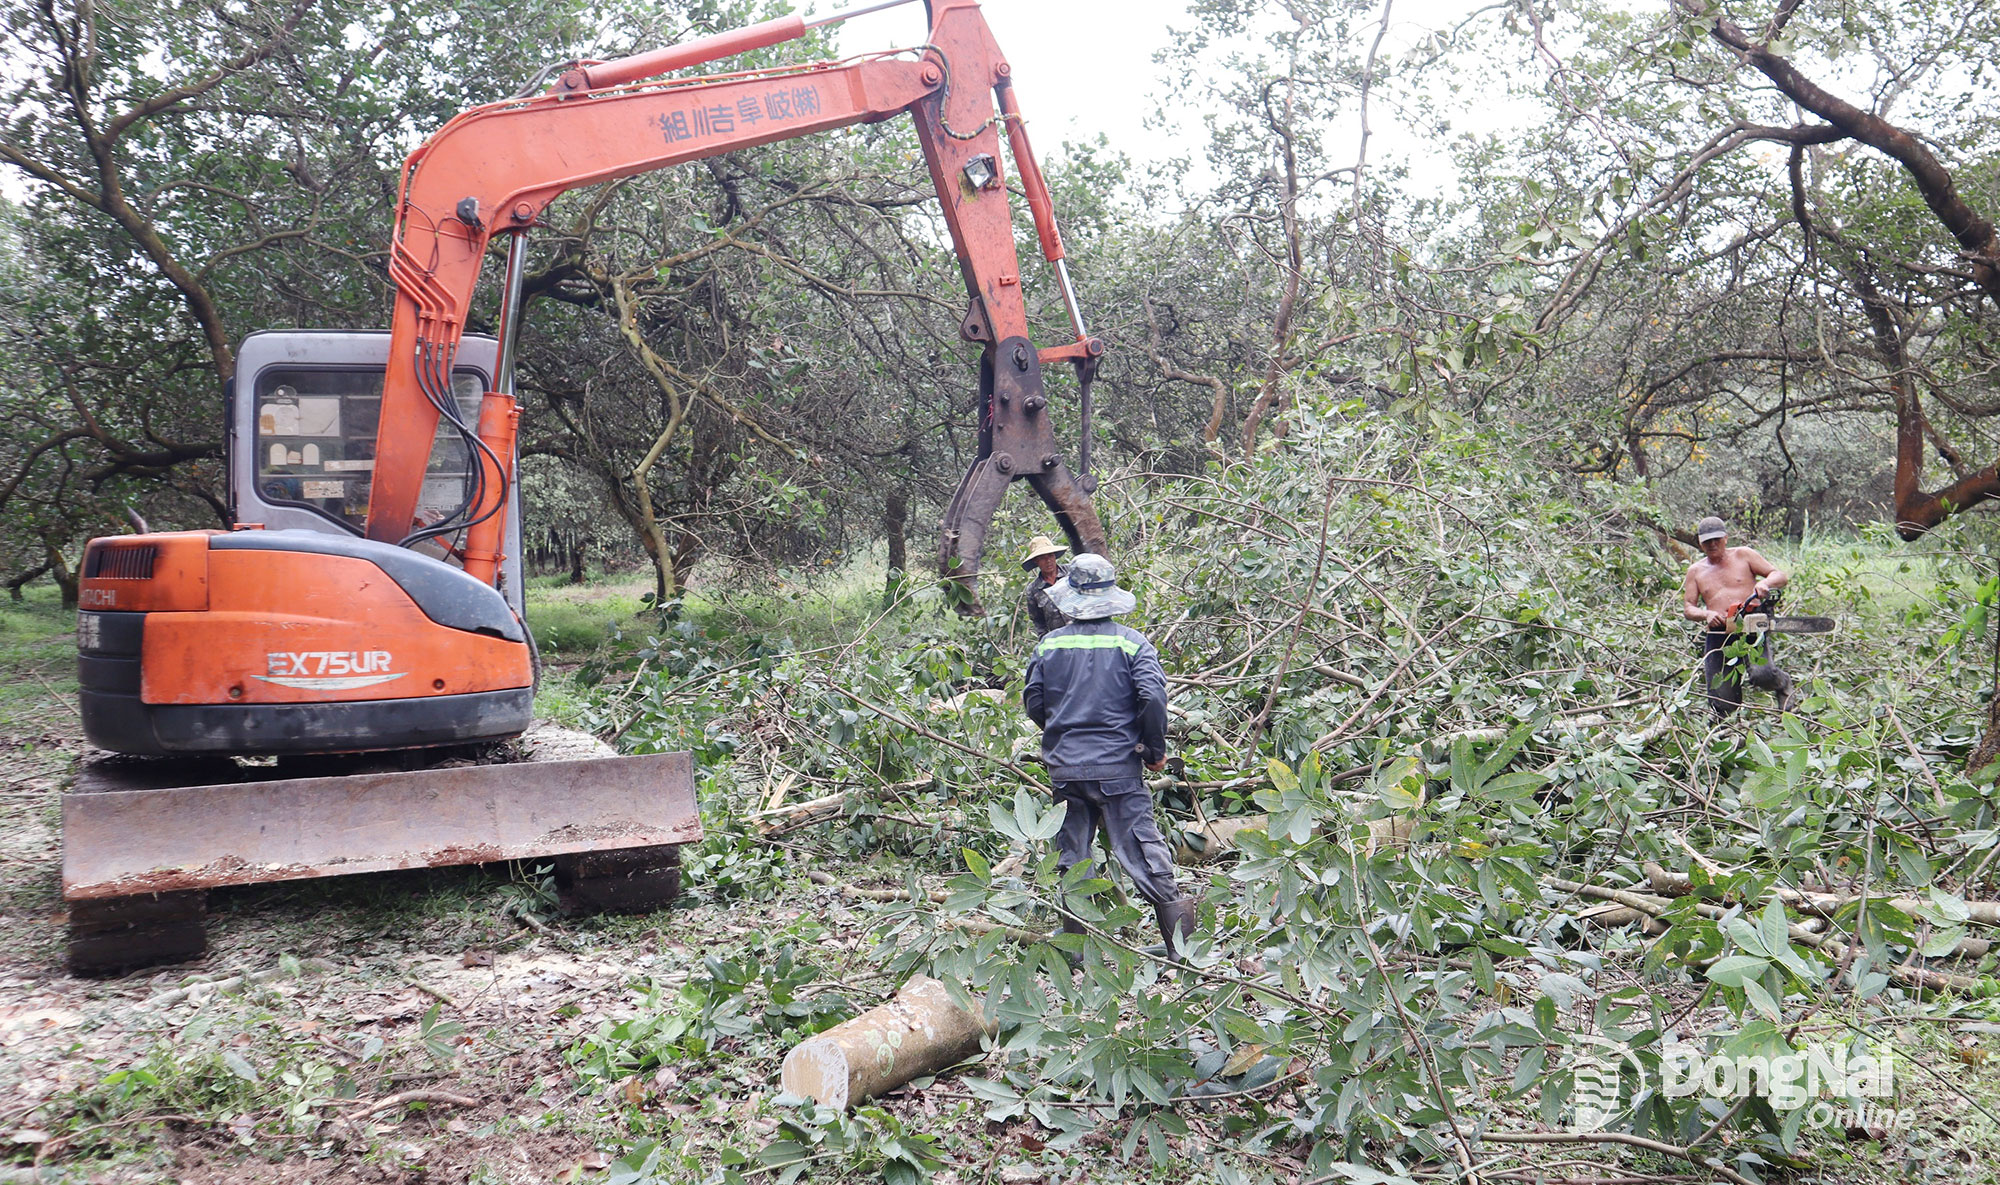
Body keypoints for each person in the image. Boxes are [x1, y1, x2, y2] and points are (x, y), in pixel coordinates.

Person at [1022, 553, 1198, 961]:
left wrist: (1061, 733)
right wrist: (1154, 750)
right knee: (1142, 847)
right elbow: (1153, 698)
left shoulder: (1050, 644)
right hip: (1118, 767)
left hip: (1066, 768)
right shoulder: (1131, 642)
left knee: (1072, 856)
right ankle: (1182, 951)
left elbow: (1033, 702)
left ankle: (1078, 956)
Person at [1681, 516, 1796, 715]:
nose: (1713, 544)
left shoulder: (1744, 555)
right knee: (1721, 698)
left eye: (1717, 539)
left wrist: (1764, 583)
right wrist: (1706, 614)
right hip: (1718, 633)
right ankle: (1729, 732)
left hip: (1751, 625)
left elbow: (1780, 575)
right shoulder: (1695, 571)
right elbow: (1689, 608)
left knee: (1763, 674)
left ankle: (1783, 684)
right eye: (1707, 541)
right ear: (1700, 542)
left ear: (1726, 538)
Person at [1020, 535, 1070, 638]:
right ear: (1036, 561)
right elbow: (1039, 623)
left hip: (1083, 636)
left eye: (1050, 555)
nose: (1048, 561)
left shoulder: (1071, 573)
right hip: (1059, 643)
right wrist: (1046, 644)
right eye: (1042, 558)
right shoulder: (1033, 590)